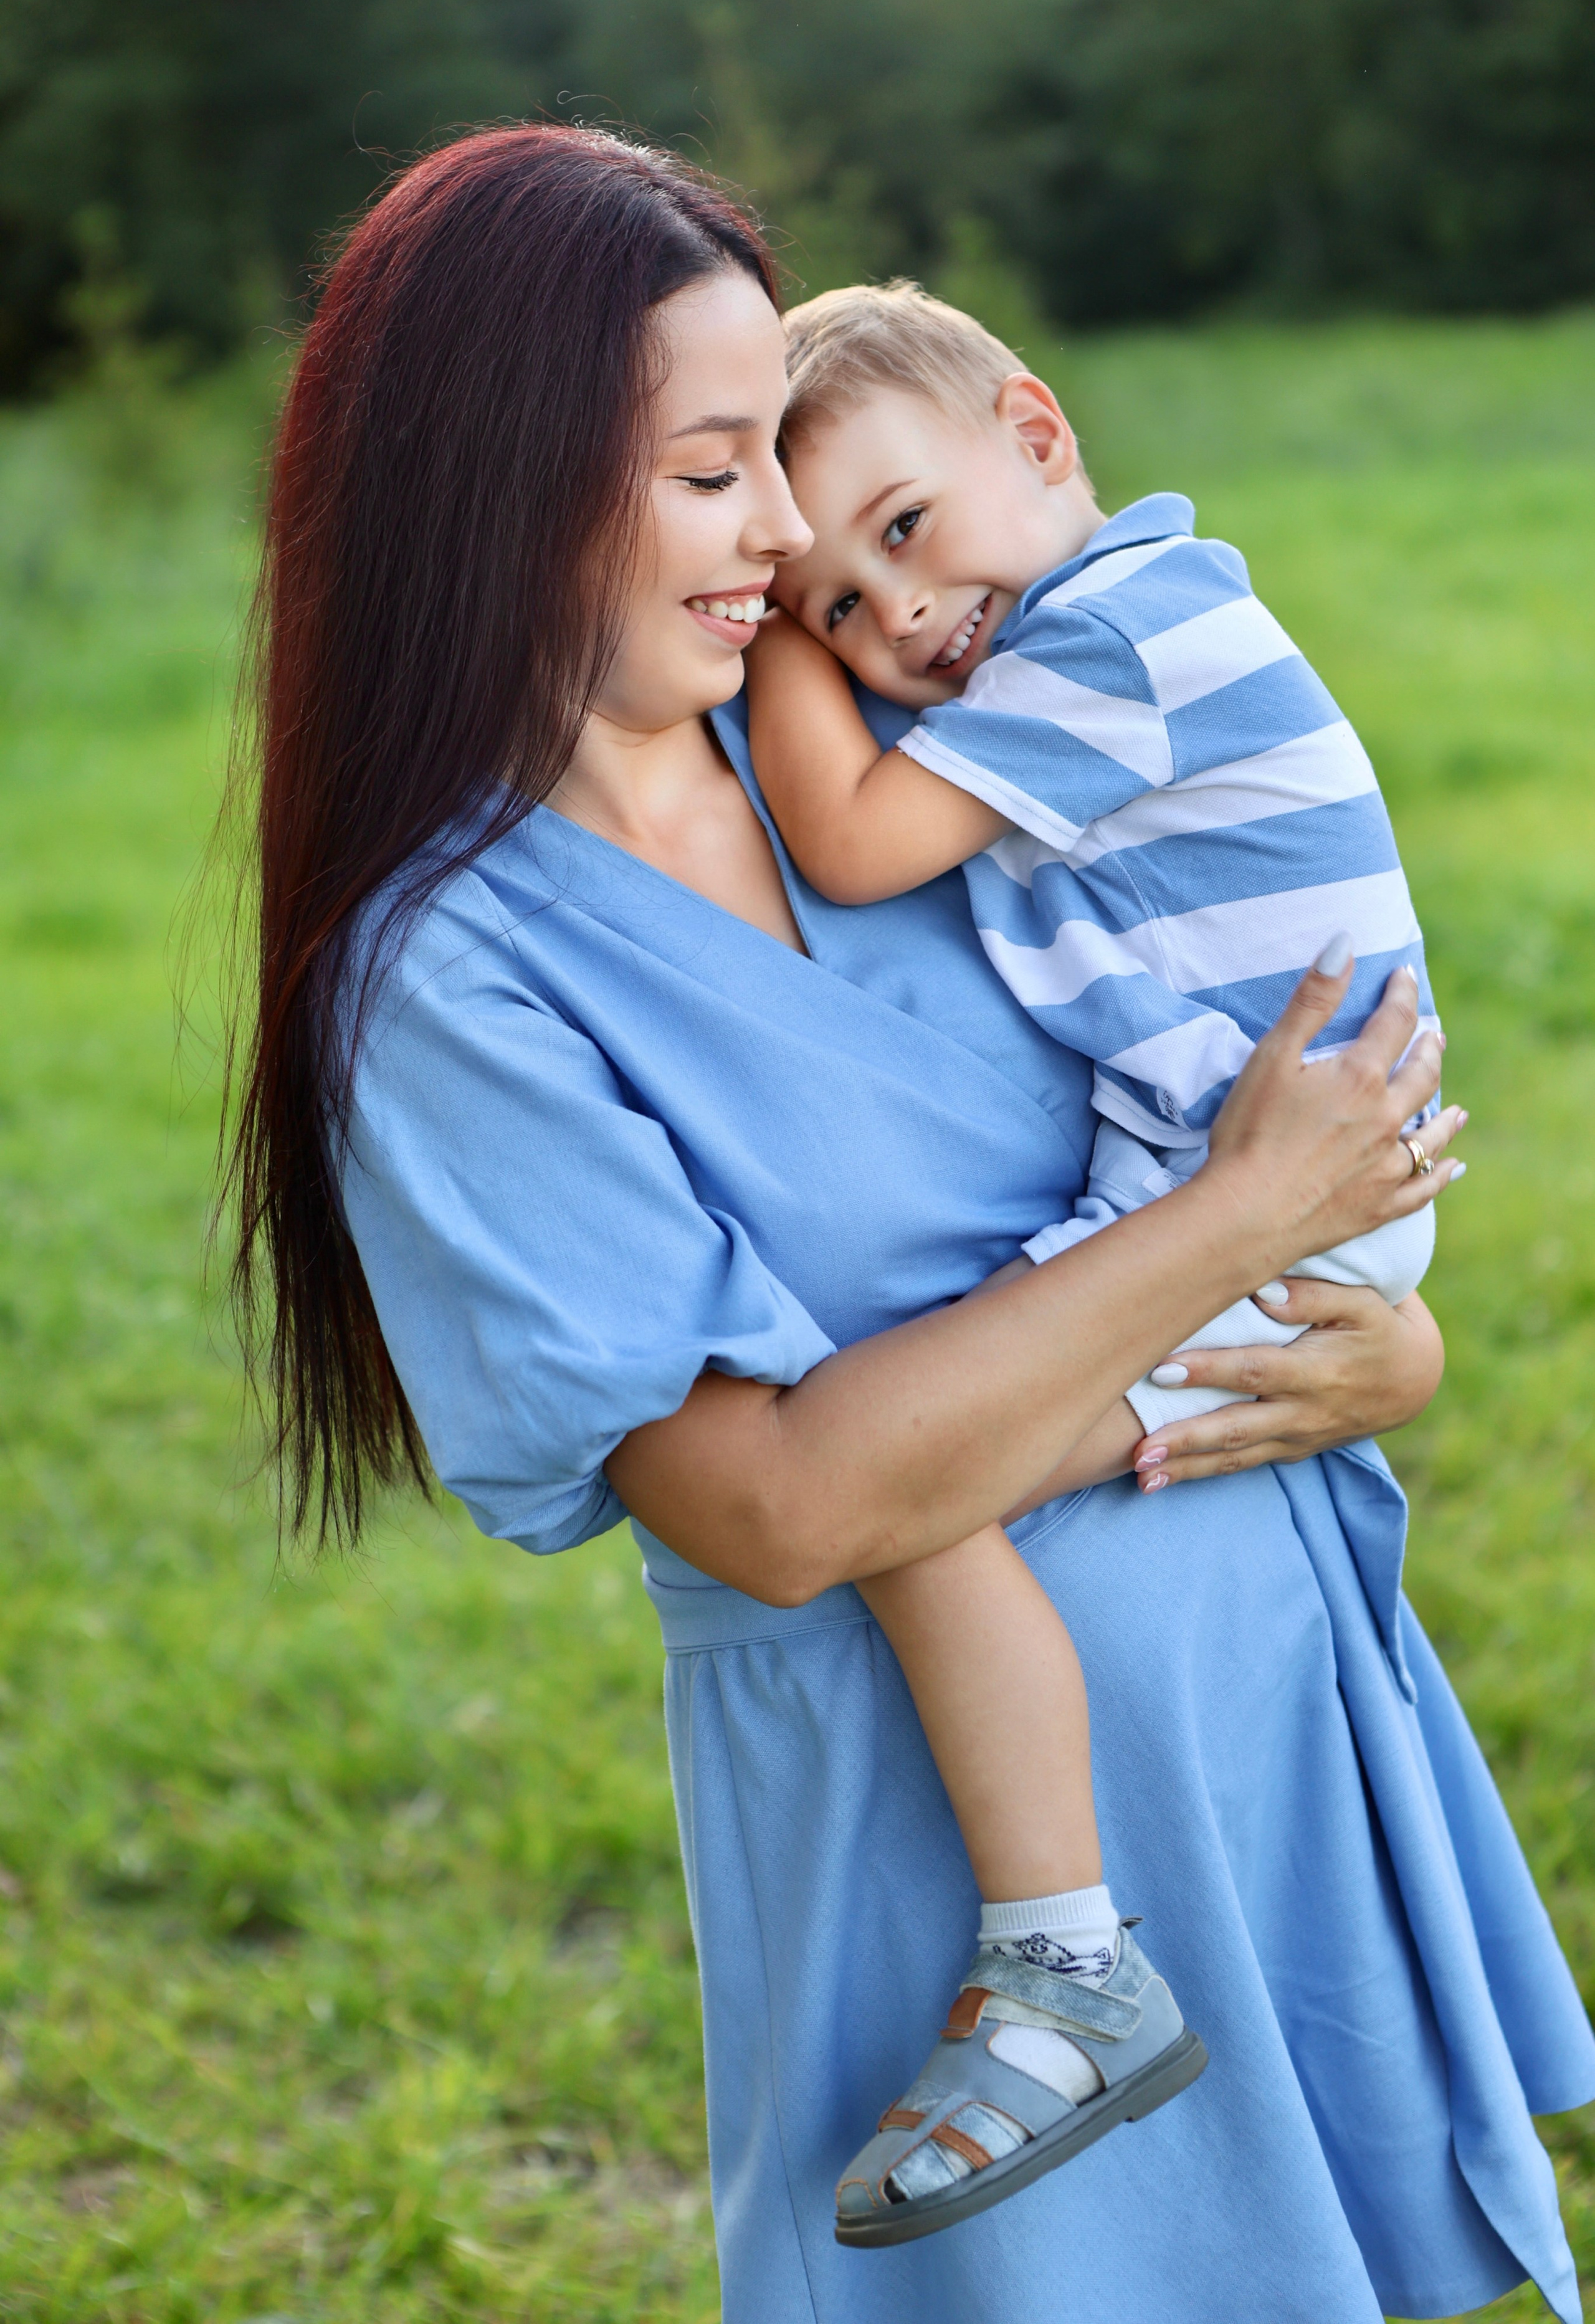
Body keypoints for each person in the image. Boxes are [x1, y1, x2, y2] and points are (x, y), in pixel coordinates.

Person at [222, 123, 1595, 2324]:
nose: (785, 536)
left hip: (1274, 1729)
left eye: (781, 457)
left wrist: (1383, 1342)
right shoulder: (452, 976)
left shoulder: (870, 736)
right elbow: (778, 1506)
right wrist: (1245, 1221)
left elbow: (1213, 1090)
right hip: (960, 1888)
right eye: (708, 473)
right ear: (494, 488)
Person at [743, 279, 1455, 2234]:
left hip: (1263, 1200)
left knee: (901, 1480)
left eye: (899, 534)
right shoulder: (1080, 642)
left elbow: (849, 838)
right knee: (906, 1462)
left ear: (1037, 433)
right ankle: (1068, 1955)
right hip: (1225, 1187)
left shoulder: (1126, 636)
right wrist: (805, 569)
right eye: (843, 616)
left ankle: (1068, 1965)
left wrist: (757, 616)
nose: (898, 624)